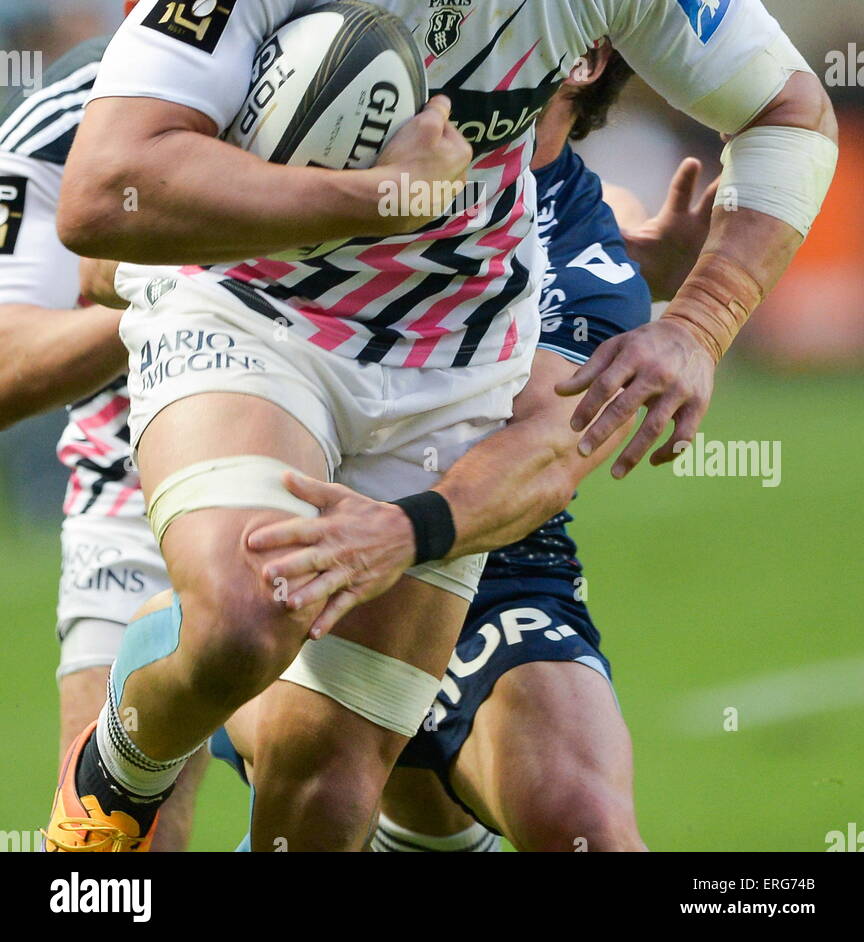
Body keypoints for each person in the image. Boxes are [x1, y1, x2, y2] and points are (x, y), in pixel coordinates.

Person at [47, 0, 836, 853]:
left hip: (452, 353)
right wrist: (373, 199)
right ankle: (116, 773)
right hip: (260, 315)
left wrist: (698, 322)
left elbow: (788, 110)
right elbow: (101, 188)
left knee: (324, 780)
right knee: (241, 623)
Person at [215, 49, 715, 853]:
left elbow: (542, 455)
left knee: (588, 829)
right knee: (267, 737)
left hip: (492, 561)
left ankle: (417, 827)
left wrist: (401, 532)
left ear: (579, 58)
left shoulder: (589, 245)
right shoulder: (356, 134)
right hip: (300, 536)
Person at [0, 0, 208, 851]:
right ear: (140, 20)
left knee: (336, 799)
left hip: (339, 468)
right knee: (113, 850)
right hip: (128, 479)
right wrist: (165, 296)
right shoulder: (59, 119)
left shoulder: (347, 72)